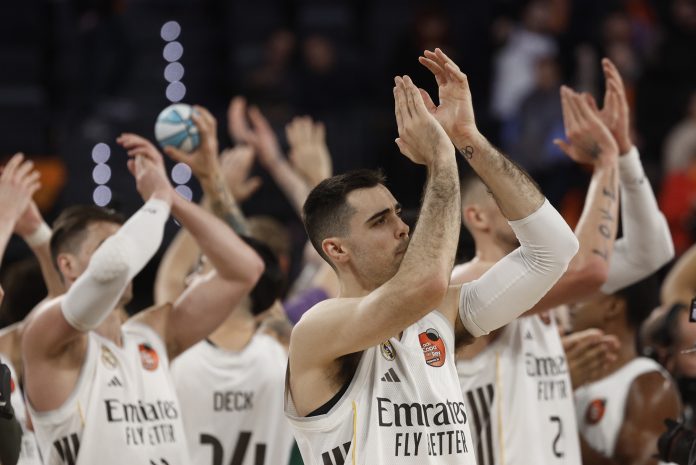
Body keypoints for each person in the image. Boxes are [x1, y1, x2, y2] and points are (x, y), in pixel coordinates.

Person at [284, 49, 579, 464]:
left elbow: (554, 251)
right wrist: (441, 157)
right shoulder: (318, 330)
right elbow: (425, 285)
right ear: (336, 249)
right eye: (380, 221)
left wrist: (468, 139)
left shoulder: (441, 314)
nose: (402, 227)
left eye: (397, 213)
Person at [451, 58, 674, 465]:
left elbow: (651, 251)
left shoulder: (547, 286)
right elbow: (589, 269)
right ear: (477, 217)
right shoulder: (470, 283)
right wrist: (606, 162)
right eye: (508, 197)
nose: (527, 208)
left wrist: (625, 154)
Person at [21, 116, 265, 465]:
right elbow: (116, 265)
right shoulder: (46, 334)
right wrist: (159, 200)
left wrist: (173, 199)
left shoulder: (153, 335)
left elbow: (246, 270)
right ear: (67, 265)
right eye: (105, 244)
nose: (128, 252)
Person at [156, 107, 293, 465]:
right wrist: (213, 184)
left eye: (202, 266)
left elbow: (175, 274)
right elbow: (256, 271)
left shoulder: (176, 343)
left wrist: (213, 184)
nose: (191, 277)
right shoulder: (281, 341)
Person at [572, 276, 681, 465]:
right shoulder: (572, 376)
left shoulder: (649, 383)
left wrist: (559, 416)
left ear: (612, 306)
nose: (570, 303)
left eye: (584, 293)